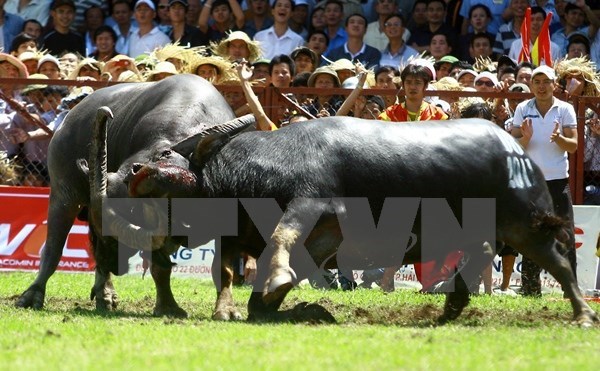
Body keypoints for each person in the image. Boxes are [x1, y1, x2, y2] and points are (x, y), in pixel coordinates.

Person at [511, 65, 578, 296]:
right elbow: (513, 145)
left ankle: (571, 289)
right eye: (536, 81)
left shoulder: (565, 109)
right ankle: (530, 290)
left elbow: (574, 145)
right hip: (531, 183)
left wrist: (559, 138)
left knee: (566, 234)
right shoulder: (522, 108)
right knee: (532, 235)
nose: (541, 86)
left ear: (554, 85)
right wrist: (525, 139)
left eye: (545, 81)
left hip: (558, 182)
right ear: (531, 85)